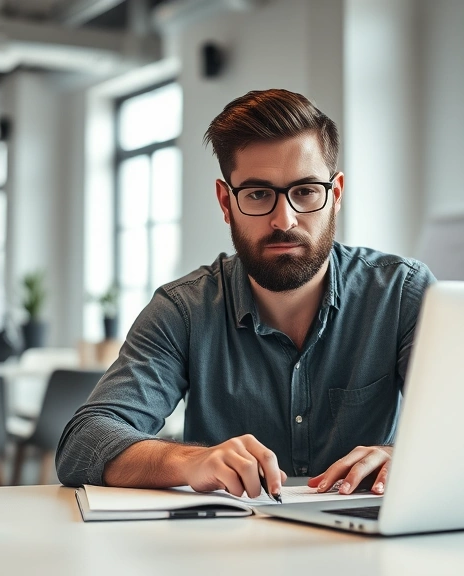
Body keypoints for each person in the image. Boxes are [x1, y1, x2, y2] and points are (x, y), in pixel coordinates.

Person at [56, 89, 435, 501]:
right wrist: (189, 461)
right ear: (226, 201)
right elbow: (84, 442)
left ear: (336, 195)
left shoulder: (401, 294)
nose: (283, 219)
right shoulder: (183, 311)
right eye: (258, 194)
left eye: (306, 191)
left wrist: (403, 455)